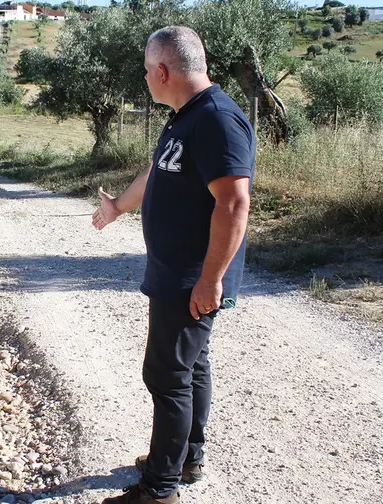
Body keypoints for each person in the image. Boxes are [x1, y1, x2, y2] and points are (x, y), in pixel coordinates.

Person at [92, 26, 255, 504]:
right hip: (179, 275)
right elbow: (159, 168)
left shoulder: (218, 120)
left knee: (166, 377)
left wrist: (209, 280)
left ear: (162, 71)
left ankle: (159, 490)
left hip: (191, 279)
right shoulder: (186, 117)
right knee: (191, 367)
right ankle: (186, 457)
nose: (146, 78)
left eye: (147, 70)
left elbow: (233, 204)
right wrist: (119, 206)